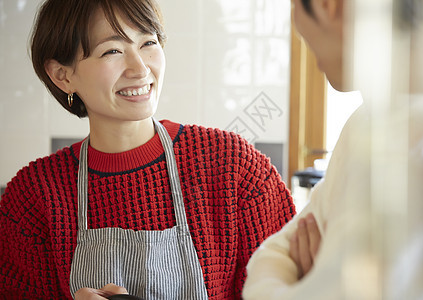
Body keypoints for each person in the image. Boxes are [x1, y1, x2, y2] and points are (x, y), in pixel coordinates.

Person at [0, 0, 296, 299]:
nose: (140, 68)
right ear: (62, 75)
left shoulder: (233, 166)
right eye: (112, 50)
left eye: (148, 43)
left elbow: (297, 289)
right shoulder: (33, 197)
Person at [243, 0, 423, 298]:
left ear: (328, 5)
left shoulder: (414, 149)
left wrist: (301, 280)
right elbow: (276, 251)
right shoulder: (366, 123)